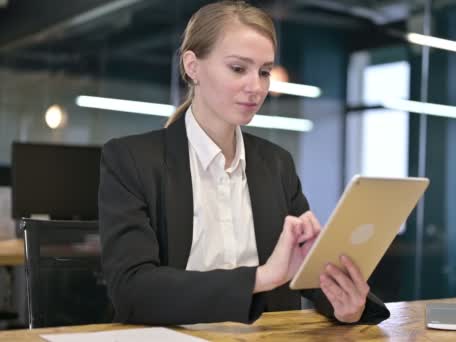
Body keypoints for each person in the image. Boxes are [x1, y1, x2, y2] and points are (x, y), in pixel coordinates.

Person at [98, 0, 389, 325]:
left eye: (264, 71)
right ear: (192, 66)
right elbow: (132, 291)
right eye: (238, 69)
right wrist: (262, 277)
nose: (257, 87)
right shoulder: (132, 159)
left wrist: (347, 306)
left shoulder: (276, 164)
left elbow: (305, 271)